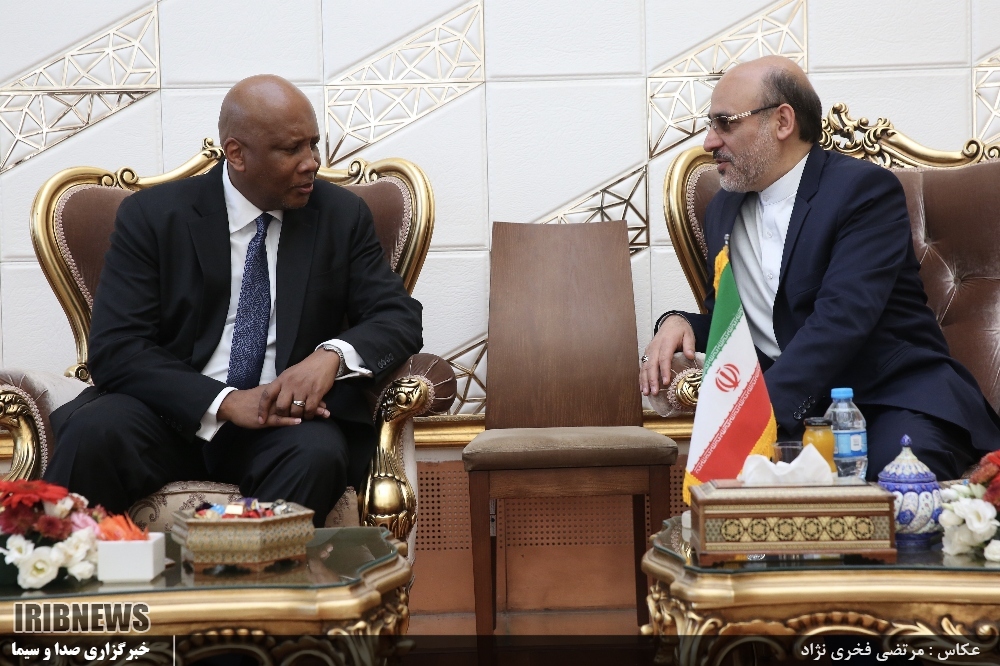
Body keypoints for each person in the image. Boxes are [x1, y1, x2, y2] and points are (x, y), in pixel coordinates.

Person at [43, 75, 423, 525]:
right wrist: (223, 401)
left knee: (317, 453)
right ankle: (53, 564)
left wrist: (330, 357)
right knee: (94, 431)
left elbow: (397, 316)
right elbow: (118, 347)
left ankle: (249, 568)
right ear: (236, 153)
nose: (311, 163)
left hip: (281, 425)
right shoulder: (154, 216)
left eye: (313, 144)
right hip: (168, 414)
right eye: (291, 149)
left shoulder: (340, 216)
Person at [640, 56, 1000, 480]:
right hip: (801, 413)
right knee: (729, 491)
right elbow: (746, 327)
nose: (709, 142)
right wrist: (680, 322)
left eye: (725, 123)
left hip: (893, 399)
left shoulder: (863, 191)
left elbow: (841, 319)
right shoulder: (723, 209)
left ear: (782, 121)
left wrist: (753, 418)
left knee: (890, 480)